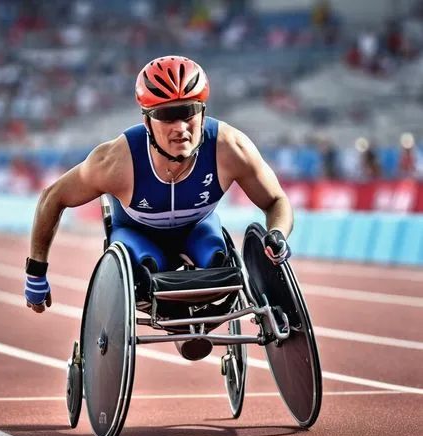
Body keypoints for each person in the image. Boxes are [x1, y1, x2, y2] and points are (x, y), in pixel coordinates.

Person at [24, 55, 293, 358]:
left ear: (203, 113)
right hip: (138, 236)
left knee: (219, 261)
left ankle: (191, 321)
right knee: (147, 271)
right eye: (167, 115)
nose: (180, 128)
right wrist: (36, 273)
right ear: (147, 121)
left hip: (197, 230)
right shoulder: (116, 161)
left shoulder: (230, 148)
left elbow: (276, 201)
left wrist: (277, 234)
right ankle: (180, 325)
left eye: (188, 112)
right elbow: (52, 197)